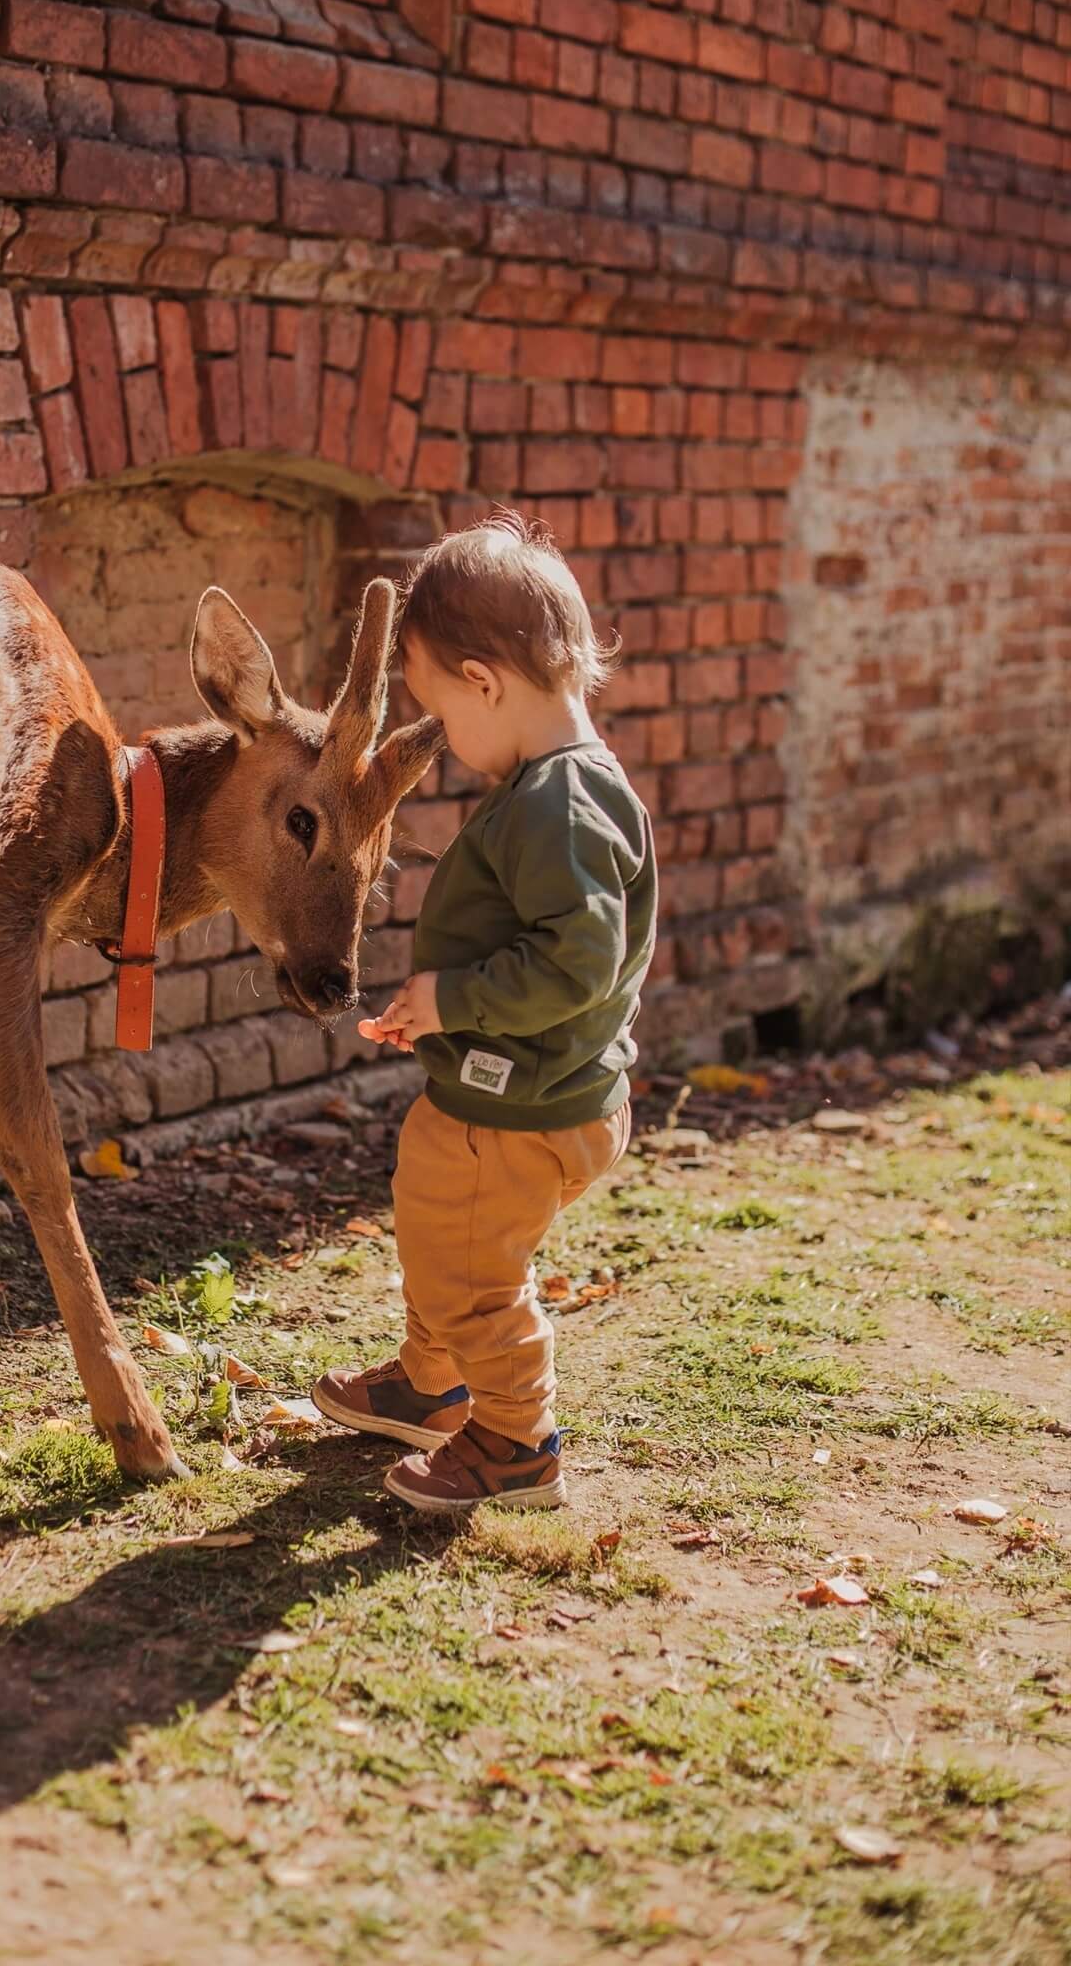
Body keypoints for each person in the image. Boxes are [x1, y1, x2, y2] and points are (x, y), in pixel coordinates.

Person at [311, 514, 658, 1513]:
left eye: (441, 713)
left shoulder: (560, 805)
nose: (449, 746)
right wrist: (441, 1012)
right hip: (502, 1086)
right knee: (435, 1223)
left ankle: (514, 1443)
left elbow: (577, 963)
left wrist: (454, 998)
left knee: (473, 1269)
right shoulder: (562, 788)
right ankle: (432, 1382)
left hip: (528, 1107)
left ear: (485, 682)